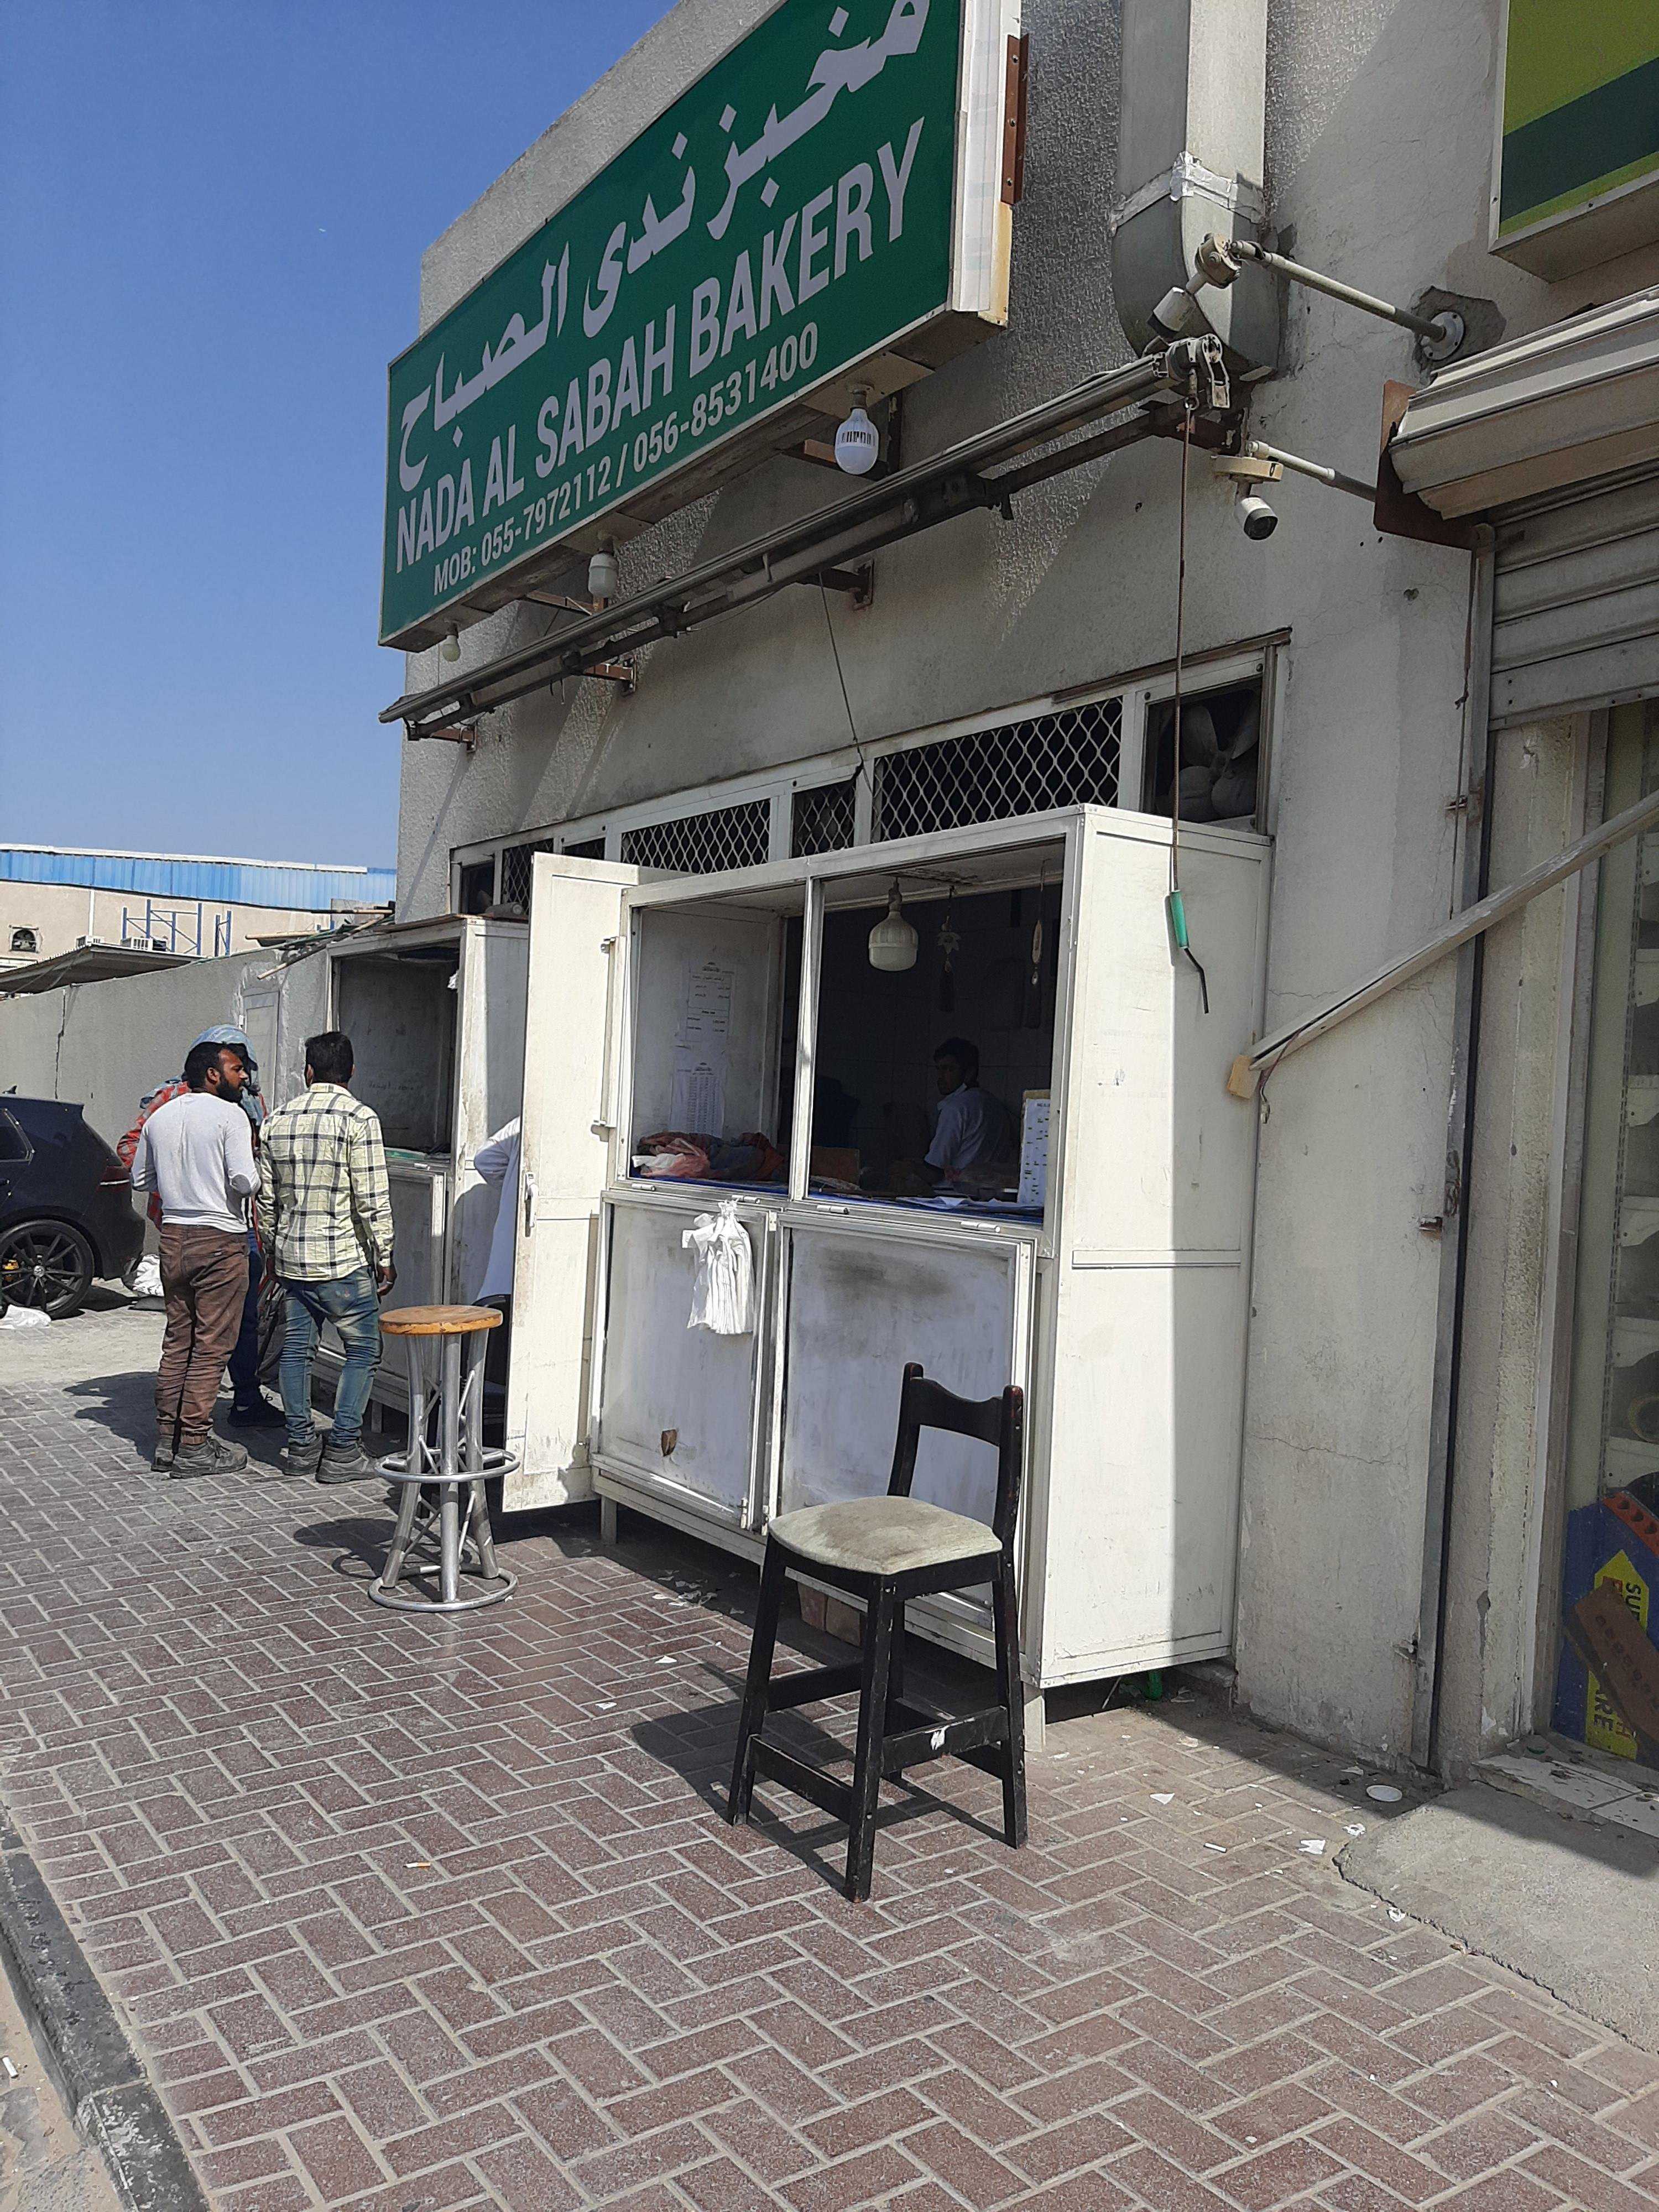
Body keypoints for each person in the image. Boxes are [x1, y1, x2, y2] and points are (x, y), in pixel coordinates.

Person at [119, 1024, 284, 1430]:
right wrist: (210, 1185)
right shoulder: (227, 1111)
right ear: (212, 1070)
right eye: (237, 1066)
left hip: (177, 1235)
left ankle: (168, 1435)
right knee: (214, 1341)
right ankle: (193, 1442)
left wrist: (177, 1193)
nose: (245, 1075)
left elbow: (139, 1175)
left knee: (182, 1338)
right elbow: (247, 1181)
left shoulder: (166, 1113)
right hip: (222, 1234)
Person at [257, 1030, 395, 1483]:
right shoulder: (359, 1119)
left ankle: (300, 1447)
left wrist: (273, 1254)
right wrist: (384, 1255)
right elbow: (372, 1197)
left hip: (293, 1260)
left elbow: (266, 1201)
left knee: (297, 1352)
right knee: (365, 1348)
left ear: (308, 1071)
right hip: (343, 1262)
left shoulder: (276, 1120)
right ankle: (343, 1450)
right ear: (351, 1072)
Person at [925, 1036, 1013, 1179]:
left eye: (949, 1069)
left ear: (969, 1073)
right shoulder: (995, 1105)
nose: (941, 1076)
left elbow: (935, 1168)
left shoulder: (956, 1108)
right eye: (939, 1069)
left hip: (953, 1195)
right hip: (990, 1194)